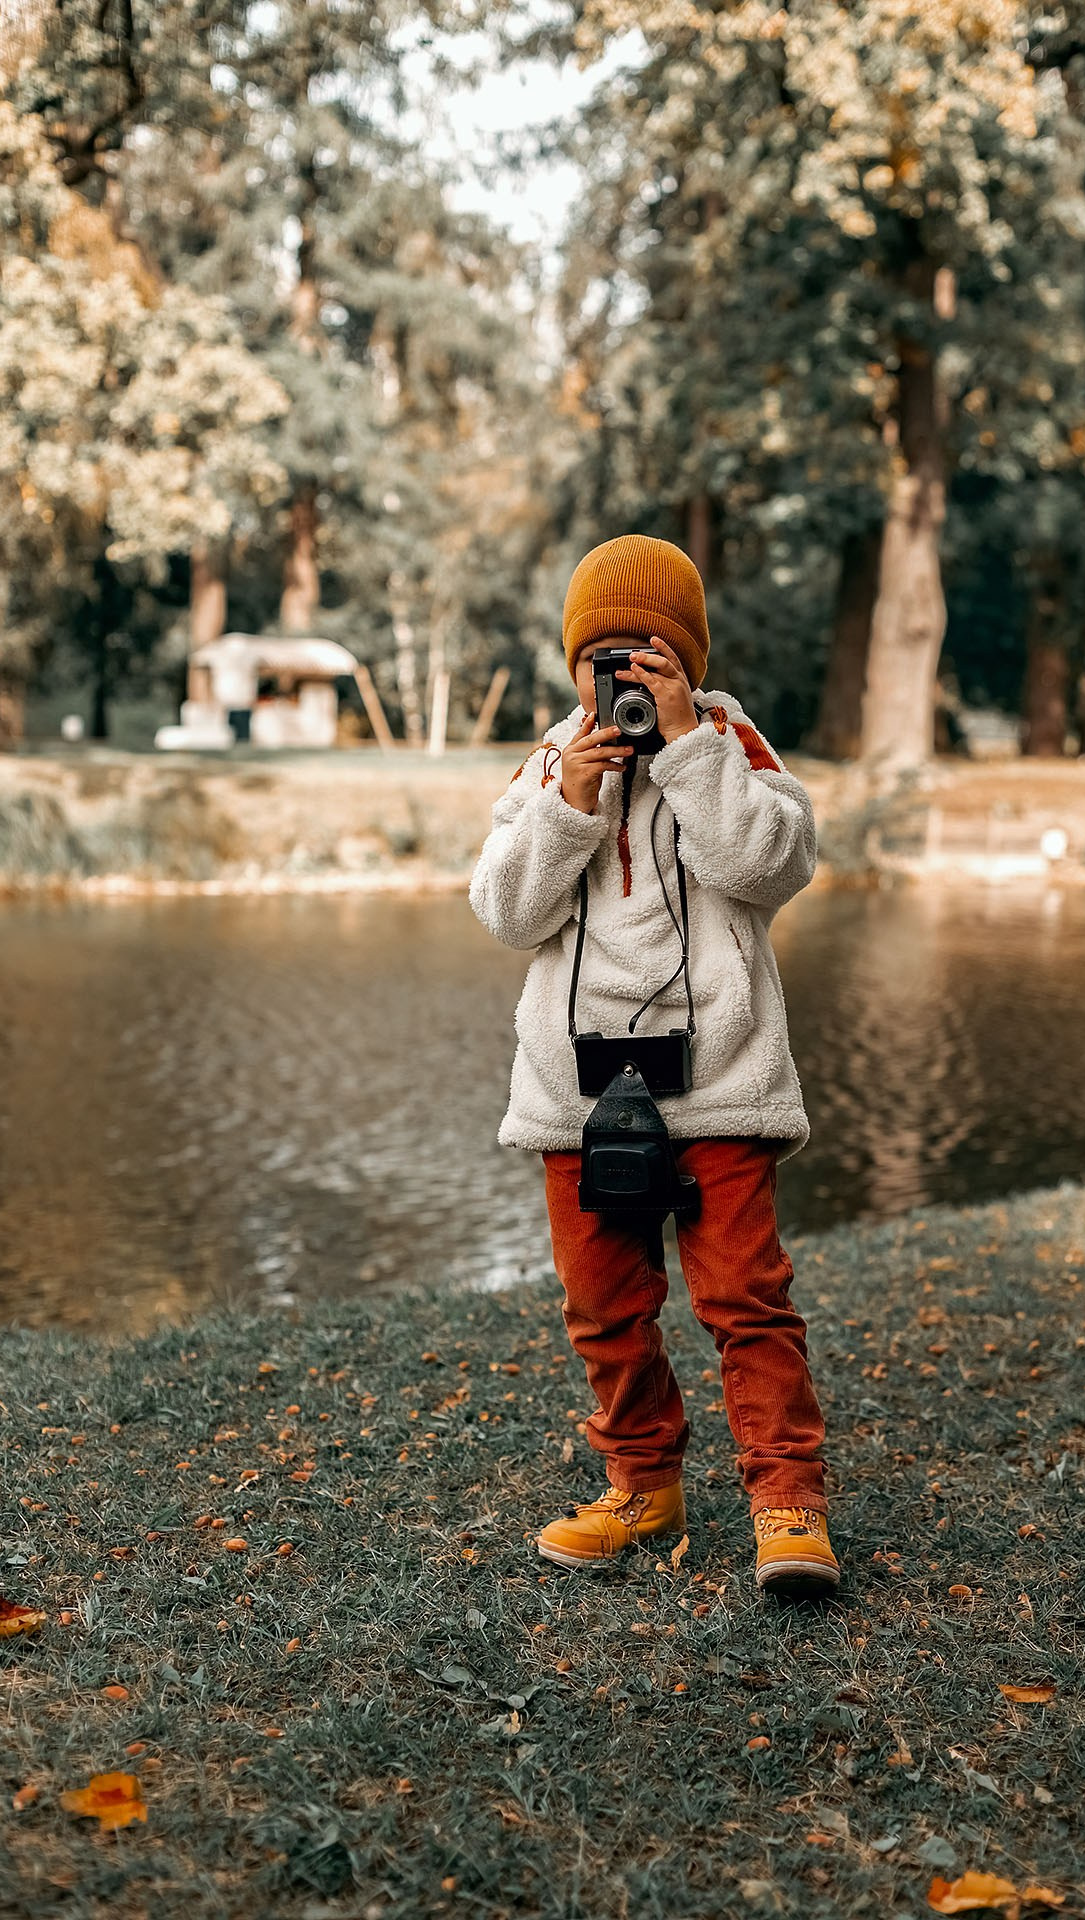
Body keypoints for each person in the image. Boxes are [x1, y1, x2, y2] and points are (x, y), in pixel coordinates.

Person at [468, 533, 837, 1599]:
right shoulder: (552, 760)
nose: (627, 676)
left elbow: (769, 866)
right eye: (607, 658)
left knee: (745, 1300)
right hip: (576, 1092)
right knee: (603, 1308)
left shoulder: (728, 740)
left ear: (686, 656)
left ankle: (787, 1506)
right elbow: (503, 911)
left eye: (650, 654)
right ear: (574, 661)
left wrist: (685, 746)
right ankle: (642, 1487)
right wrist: (566, 809)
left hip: (719, 1076)